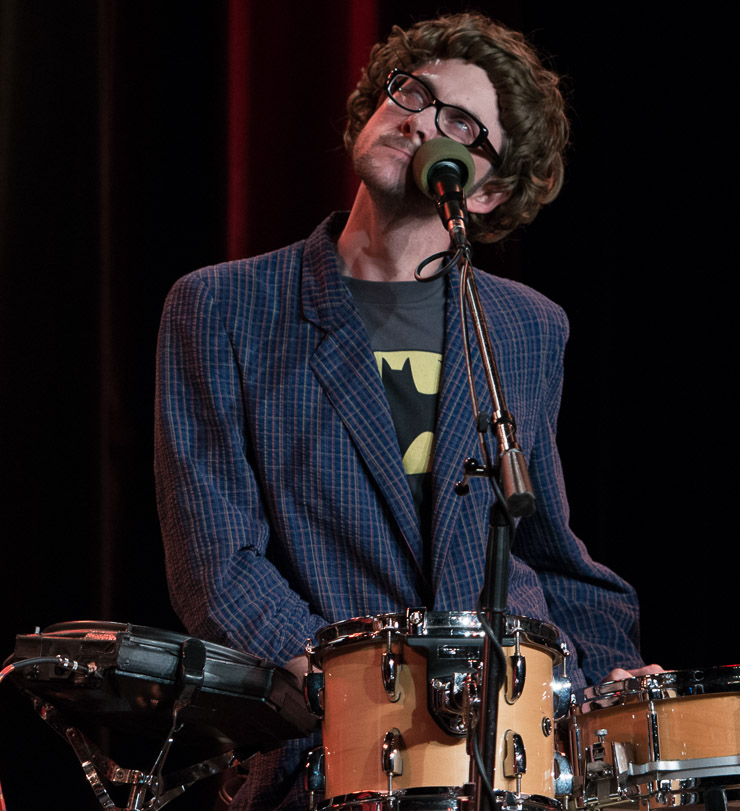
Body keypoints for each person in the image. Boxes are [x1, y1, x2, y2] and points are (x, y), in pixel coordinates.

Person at [154, 12, 656, 811]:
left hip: (510, 758)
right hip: (328, 756)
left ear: (487, 191)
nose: (420, 120)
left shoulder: (527, 326)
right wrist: (369, 687)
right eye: (412, 92)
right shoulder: (223, 307)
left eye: (460, 124)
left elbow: (550, 552)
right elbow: (218, 567)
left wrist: (612, 679)